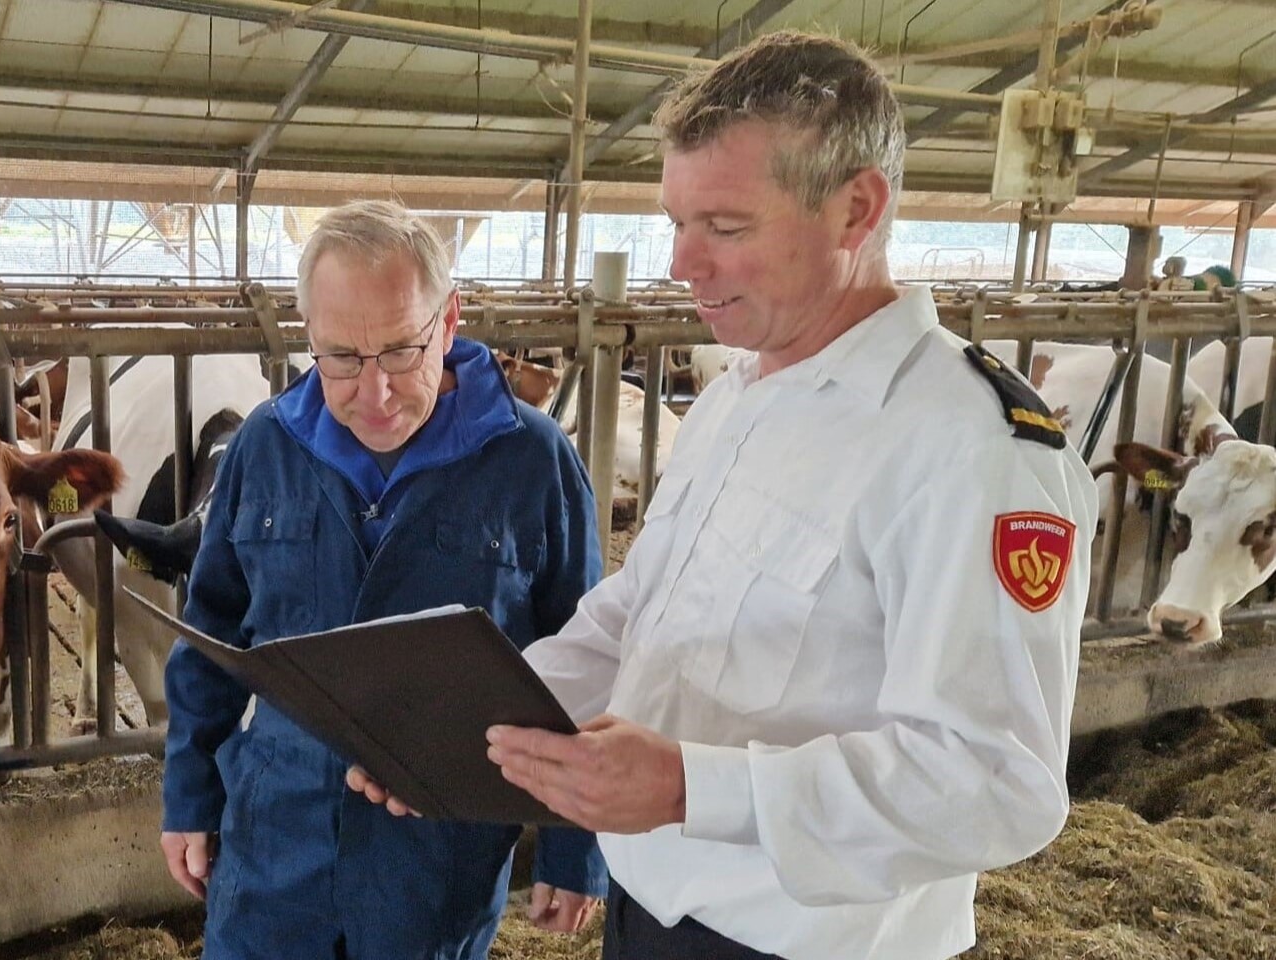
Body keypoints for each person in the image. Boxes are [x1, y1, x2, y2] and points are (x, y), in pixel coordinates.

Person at [354, 32, 1099, 960]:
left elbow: (997, 782)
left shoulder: (970, 449)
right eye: (676, 221)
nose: (681, 262)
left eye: (726, 227)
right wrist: (456, 735)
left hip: (808, 941)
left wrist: (689, 790)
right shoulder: (734, 398)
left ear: (854, 209)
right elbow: (634, 617)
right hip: (653, 905)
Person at [161, 198, 608, 959]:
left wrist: (576, 848)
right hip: (275, 844)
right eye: (339, 357)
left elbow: (587, 657)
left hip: (437, 859)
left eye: (402, 351)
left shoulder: (530, 460)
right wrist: (187, 796)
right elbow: (211, 633)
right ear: (307, 335)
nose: (374, 393)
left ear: (449, 319)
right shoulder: (267, 444)